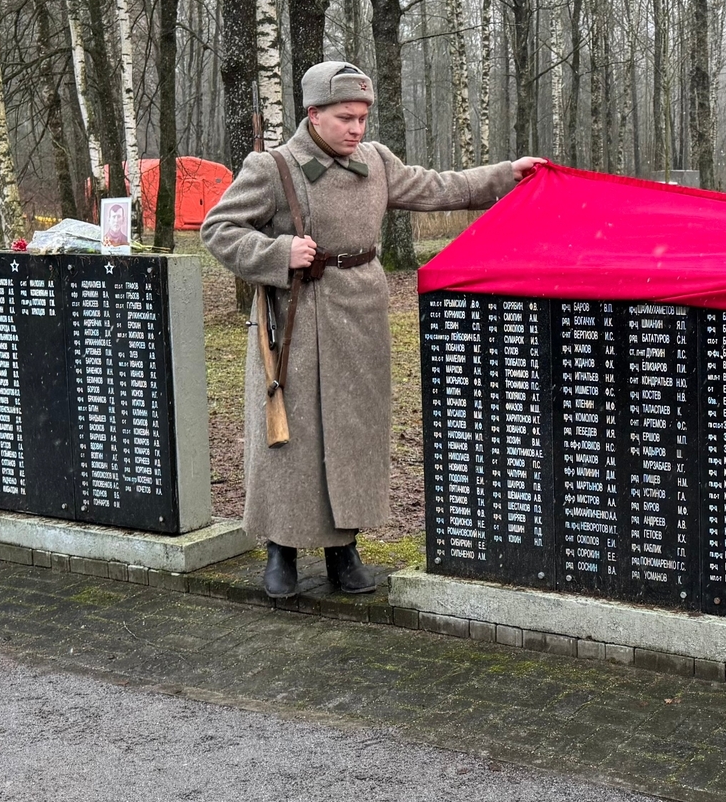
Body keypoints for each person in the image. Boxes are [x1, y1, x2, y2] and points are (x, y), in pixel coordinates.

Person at [201, 61, 543, 599]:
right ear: (313, 114)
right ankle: (281, 552)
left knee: (354, 435)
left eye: (362, 117)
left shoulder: (376, 160)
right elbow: (218, 229)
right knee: (292, 437)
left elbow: (437, 187)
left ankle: (344, 550)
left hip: (361, 314)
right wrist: (276, 252)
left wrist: (508, 174)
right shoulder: (273, 167)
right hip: (295, 322)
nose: (356, 128)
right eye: (344, 117)